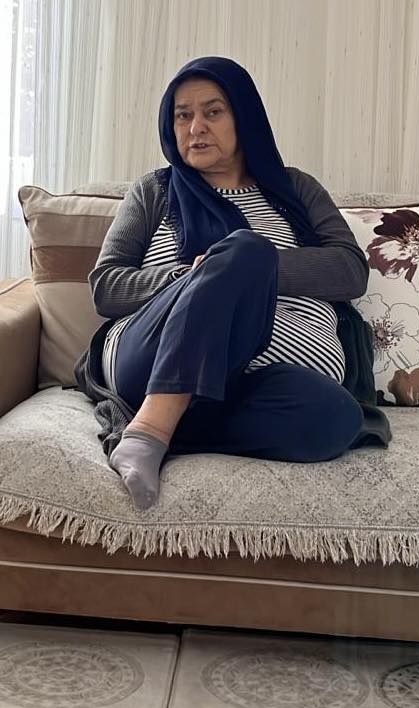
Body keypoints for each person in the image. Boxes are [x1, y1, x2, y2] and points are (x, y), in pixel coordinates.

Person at [74, 56, 391, 512]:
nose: (195, 127)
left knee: (337, 418)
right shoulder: (155, 191)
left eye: (213, 112)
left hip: (256, 387)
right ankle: (148, 431)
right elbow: (106, 286)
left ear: (245, 116)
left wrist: (256, 272)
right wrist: (197, 278)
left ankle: (177, 426)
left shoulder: (295, 189)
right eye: (183, 115)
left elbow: (349, 270)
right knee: (244, 249)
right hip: (149, 359)